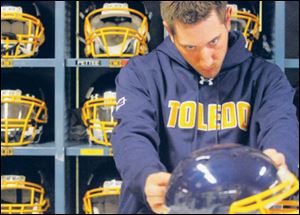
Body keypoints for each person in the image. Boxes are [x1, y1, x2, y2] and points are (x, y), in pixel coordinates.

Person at [111, 1, 299, 214]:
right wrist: (146, 176)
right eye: (190, 47)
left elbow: (281, 125)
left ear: (228, 18)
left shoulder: (266, 78)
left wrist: (281, 159)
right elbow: (131, 134)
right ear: (169, 30)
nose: (206, 60)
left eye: (214, 41)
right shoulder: (140, 74)